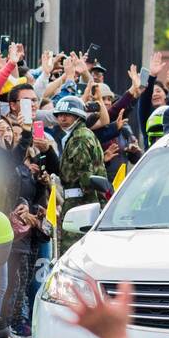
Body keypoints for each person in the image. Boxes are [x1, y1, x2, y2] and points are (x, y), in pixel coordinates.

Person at [53, 95, 107, 247]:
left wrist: (86, 205)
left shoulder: (79, 138)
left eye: (67, 114)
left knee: (72, 248)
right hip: (84, 201)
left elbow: (85, 176)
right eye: (59, 115)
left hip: (80, 202)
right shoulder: (81, 134)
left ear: (78, 116)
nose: (62, 118)